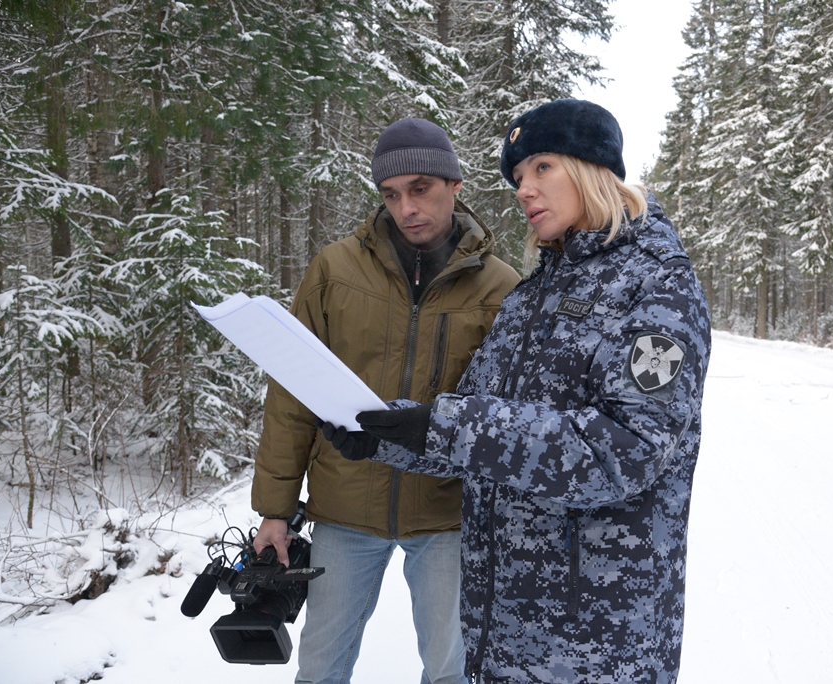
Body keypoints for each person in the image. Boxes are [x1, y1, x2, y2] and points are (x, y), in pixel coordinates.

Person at [321, 99, 712, 683]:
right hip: (502, 628)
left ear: (590, 167)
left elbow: (624, 451)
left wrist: (447, 426)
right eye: (518, 178)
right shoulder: (531, 297)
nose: (525, 190)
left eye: (542, 168)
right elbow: (478, 428)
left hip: (596, 641)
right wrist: (385, 435)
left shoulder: (657, 284)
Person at [251, 117, 520, 684]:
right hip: (345, 508)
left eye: (421, 188)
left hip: (447, 513)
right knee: (321, 667)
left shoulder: (500, 287)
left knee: (451, 670)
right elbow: (291, 395)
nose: (407, 209)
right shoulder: (335, 271)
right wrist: (275, 510)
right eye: (391, 195)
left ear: (455, 186)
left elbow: (505, 418)